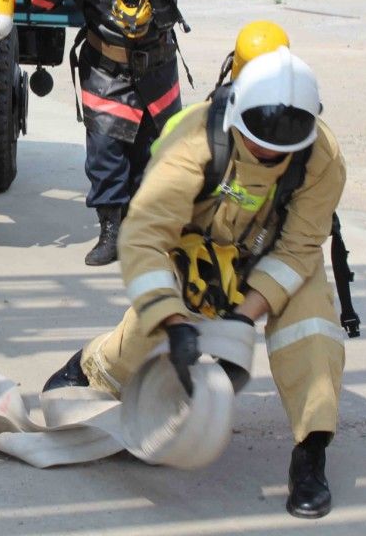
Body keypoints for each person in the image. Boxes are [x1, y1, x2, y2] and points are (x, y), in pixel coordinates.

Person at [43, 46, 347, 519]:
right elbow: (145, 236)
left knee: (312, 328)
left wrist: (241, 321)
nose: (269, 153)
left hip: (271, 258)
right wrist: (175, 321)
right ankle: (92, 366)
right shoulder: (194, 138)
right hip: (196, 250)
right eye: (258, 142)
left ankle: (311, 454)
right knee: (148, 340)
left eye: (282, 148)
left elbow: (299, 248)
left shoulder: (321, 156)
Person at [31, 0, 227, 266]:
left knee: (154, 154)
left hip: (157, 74)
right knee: (105, 155)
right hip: (105, 74)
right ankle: (110, 232)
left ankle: (143, 230)